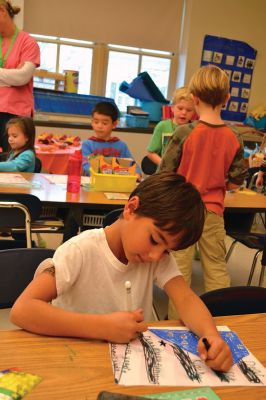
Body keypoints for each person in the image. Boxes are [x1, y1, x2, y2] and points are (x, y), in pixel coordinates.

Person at [10, 171, 232, 372]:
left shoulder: (156, 257)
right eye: (155, 240)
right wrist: (103, 327)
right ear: (131, 208)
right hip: (77, 360)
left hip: (133, 365)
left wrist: (210, 335)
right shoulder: (80, 250)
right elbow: (22, 310)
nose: (156, 256)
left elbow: (185, 298)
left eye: (167, 250)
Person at [159, 65, 247, 319]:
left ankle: (178, 321)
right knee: (216, 267)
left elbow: (166, 172)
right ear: (227, 99)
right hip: (213, 212)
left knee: (179, 271)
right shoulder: (235, 136)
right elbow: (236, 181)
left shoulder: (185, 132)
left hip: (182, 211)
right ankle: (222, 318)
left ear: (194, 98)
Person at [0, 0, 40, 153]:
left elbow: (22, 77)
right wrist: (10, 77)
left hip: (16, 116)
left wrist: (15, 77)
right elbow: (16, 77)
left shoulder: (28, 42)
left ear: (2, 11)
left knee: (17, 165)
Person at [82, 101, 141, 177]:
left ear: (114, 124)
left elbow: (132, 164)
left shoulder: (121, 146)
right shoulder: (87, 145)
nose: (99, 126)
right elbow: (86, 166)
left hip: (116, 183)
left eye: (104, 123)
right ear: (92, 122)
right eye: (96, 122)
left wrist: (137, 173)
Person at [146, 87, 195, 166]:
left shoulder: (195, 129)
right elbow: (151, 153)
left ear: (194, 112)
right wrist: (164, 165)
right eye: (180, 108)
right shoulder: (162, 126)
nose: (184, 112)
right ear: (172, 108)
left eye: (189, 110)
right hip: (165, 173)